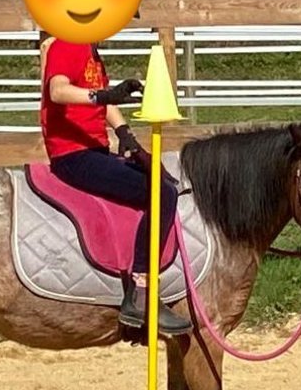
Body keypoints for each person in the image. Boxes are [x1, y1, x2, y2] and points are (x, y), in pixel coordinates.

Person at [38, 33, 192, 335]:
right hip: (73, 155)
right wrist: (103, 95)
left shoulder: (90, 50)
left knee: (158, 177)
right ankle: (141, 292)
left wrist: (126, 136)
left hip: (92, 149)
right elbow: (57, 91)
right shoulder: (69, 43)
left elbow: (98, 99)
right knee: (162, 194)